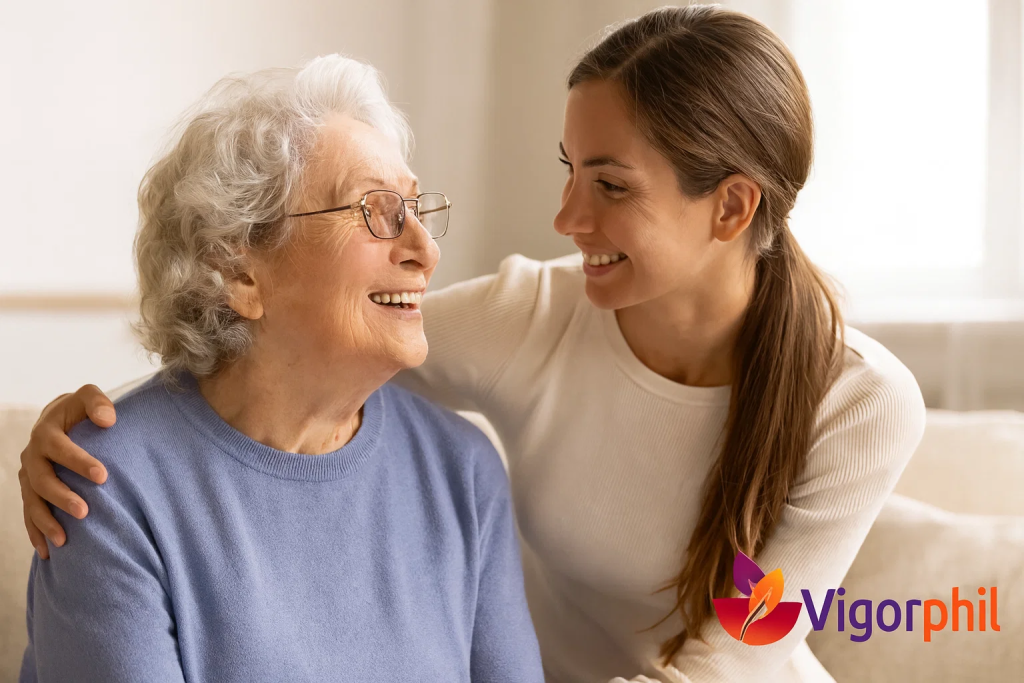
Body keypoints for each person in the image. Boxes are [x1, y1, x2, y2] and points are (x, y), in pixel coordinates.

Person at [18, 6, 925, 682]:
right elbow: (273, 353)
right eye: (380, 211)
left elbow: (744, 652)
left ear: (731, 207)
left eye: (611, 184)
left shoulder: (862, 402)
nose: (566, 218)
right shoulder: (528, 317)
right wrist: (89, 431)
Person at [17, 55, 543, 683]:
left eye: (414, 209)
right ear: (238, 272)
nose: (425, 250)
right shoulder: (105, 485)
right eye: (376, 211)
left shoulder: (462, 472)